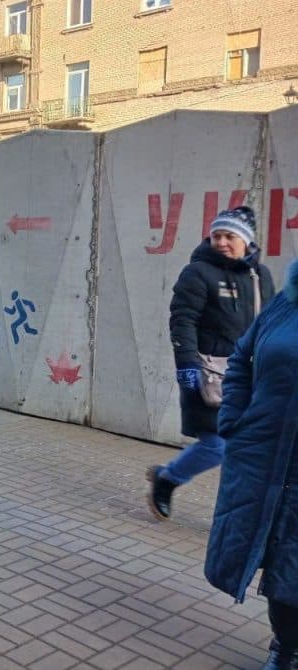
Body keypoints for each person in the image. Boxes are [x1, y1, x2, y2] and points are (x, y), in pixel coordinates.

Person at [147, 206, 274, 520]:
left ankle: (241, 514)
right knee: (217, 445)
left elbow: (271, 322)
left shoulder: (260, 276)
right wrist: (186, 362)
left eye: (229, 235)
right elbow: (183, 320)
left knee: (248, 449)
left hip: (250, 376)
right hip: (209, 373)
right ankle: (167, 479)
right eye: (217, 235)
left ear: (246, 240)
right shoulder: (198, 272)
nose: (221, 242)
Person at [205, 258, 298, 669]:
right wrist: (234, 418)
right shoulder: (286, 304)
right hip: (268, 458)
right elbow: (242, 358)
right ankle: (285, 646)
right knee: (281, 564)